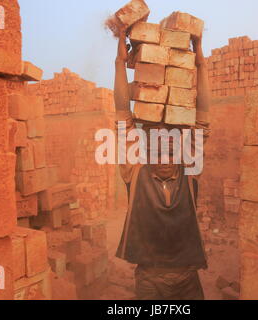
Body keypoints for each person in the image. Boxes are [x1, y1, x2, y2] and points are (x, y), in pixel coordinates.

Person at [113, 27, 211, 300]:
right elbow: (123, 114)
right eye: (158, 148)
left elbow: (202, 117)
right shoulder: (134, 172)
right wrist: (120, 62)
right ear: (146, 150)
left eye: (172, 148)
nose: (166, 155)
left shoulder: (189, 173)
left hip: (189, 280)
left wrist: (200, 61)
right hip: (149, 281)